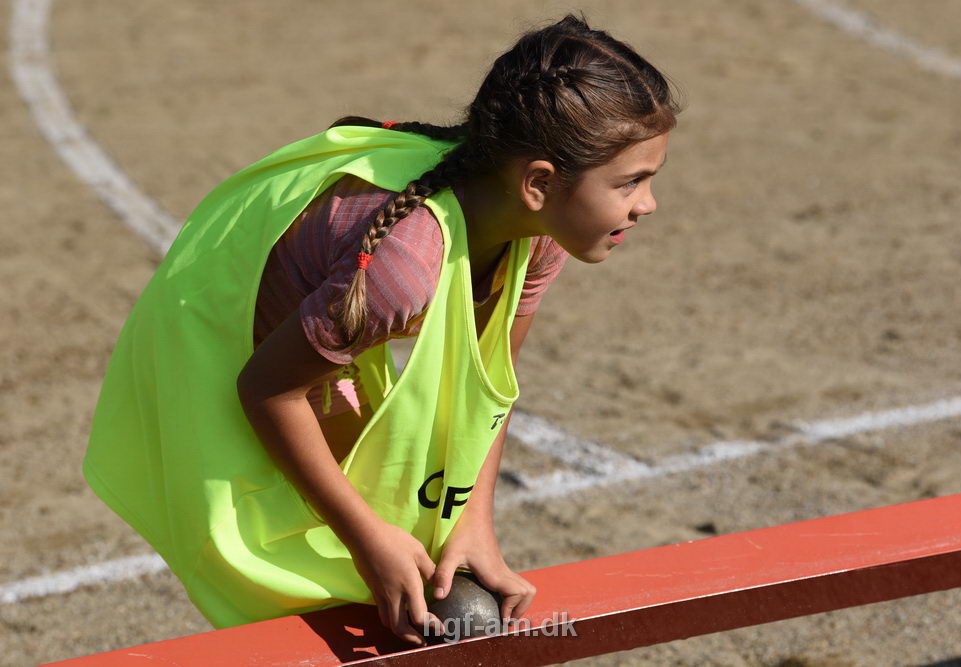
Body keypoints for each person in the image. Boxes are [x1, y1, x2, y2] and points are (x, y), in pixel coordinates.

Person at [83, 13, 682, 647]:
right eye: (630, 183)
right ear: (538, 183)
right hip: (220, 346)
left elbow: (484, 391)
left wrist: (471, 522)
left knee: (415, 540)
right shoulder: (403, 268)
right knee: (357, 561)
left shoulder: (537, 232)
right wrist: (369, 540)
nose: (648, 205)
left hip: (318, 336)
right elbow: (266, 390)